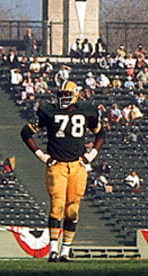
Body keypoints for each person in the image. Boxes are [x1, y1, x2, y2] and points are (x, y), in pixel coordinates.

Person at [20, 80, 104, 261]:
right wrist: (42, 155)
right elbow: (25, 133)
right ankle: (53, 250)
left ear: (75, 94)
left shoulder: (86, 109)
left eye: (67, 95)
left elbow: (100, 133)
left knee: (73, 210)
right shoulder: (48, 110)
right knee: (57, 207)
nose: (63, 98)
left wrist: (90, 156)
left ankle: (65, 251)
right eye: (61, 95)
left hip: (78, 165)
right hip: (57, 165)